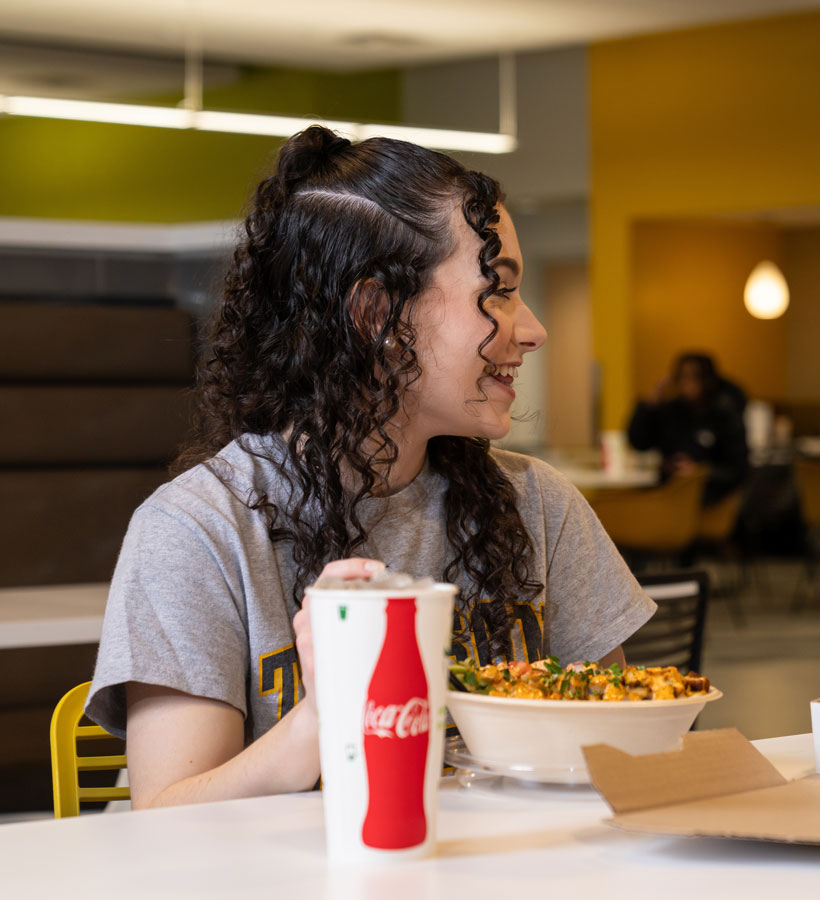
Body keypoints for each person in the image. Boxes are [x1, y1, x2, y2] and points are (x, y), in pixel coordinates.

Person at [87, 126, 656, 808]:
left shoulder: (539, 504)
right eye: (498, 291)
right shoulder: (199, 530)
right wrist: (321, 721)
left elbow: (629, 749)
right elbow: (164, 813)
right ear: (376, 313)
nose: (532, 329)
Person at [627, 352, 749, 505]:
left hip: (710, 500)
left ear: (708, 380)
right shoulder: (672, 411)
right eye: (682, 377)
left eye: (693, 377)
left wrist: (699, 472)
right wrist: (650, 405)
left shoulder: (725, 415)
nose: (687, 383)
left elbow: (738, 470)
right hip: (668, 493)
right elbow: (639, 442)